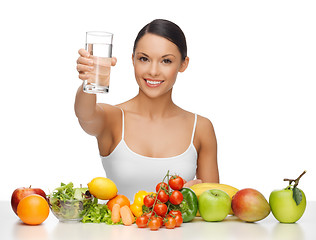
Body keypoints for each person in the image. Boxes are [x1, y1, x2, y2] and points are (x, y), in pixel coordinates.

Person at [75, 19, 219, 200]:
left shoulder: (201, 127)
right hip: (119, 228)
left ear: (183, 64)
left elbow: (214, 203)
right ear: (133, 60)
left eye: (166, 61)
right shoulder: (113, 118)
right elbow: (85, 114)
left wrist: (183, 198)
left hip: (179, 229)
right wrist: (88, 80)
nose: (153, 71)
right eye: (144, 59)